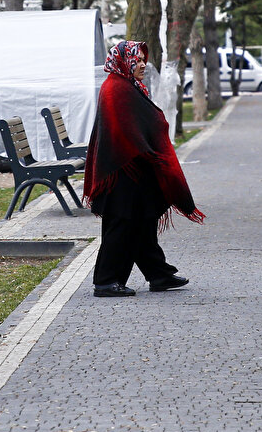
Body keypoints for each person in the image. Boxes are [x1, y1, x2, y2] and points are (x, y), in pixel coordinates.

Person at [84, 40, 205, 298]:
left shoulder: (127, 85)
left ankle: (158, 274)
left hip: (131, 167)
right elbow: (126, 131)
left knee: (143, 220)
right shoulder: (116, 89)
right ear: (123, 62)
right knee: (121, 223)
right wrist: (151, 150)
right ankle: (105, 281)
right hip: (122, 169)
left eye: (142, 60)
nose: (141, 65)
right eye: (136, 60)